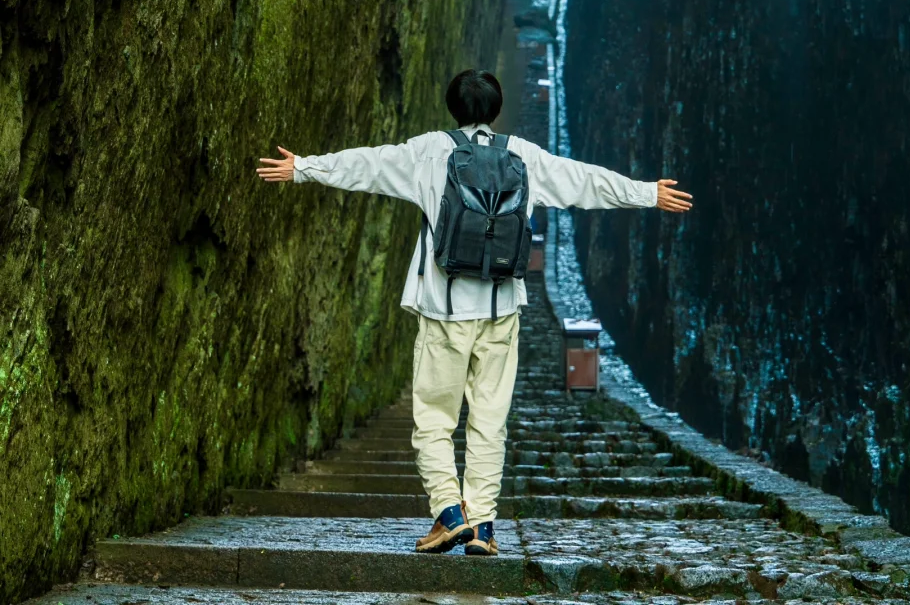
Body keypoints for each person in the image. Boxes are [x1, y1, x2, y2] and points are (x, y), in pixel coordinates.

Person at [257, 68, 692, 556]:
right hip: (501, 310)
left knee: (434, 420)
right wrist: (647, 192)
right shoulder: (523, 156)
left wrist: (304, 167)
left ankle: (449, 515)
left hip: (443, 310)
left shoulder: (427, 152)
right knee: (489, 421)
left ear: (452, 108)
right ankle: (483, 526)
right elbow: (583, 181)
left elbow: (367, 165)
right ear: (497, 110)